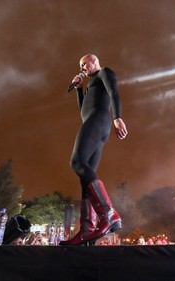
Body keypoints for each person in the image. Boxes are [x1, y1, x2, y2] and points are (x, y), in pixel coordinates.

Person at [60, 54, 128, 246]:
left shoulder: (105, 73)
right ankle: (86, 230)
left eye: (84, 63)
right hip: (92, 121)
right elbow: (83, 112)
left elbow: (114, 92)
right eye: (80, 65)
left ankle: (109, 213)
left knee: (76, 162)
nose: (82, 67)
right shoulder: (90, 84)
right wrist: (79, 90)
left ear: (94, 61)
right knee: (85, 178)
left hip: (99, 120)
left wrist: (118, 117)